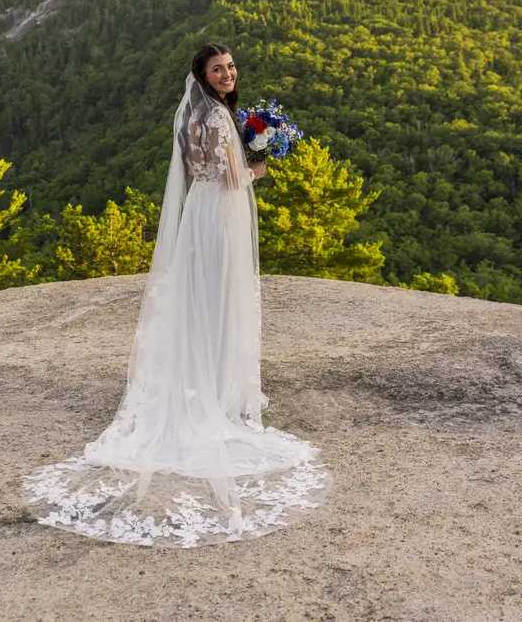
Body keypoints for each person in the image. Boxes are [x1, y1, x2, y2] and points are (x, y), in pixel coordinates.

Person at [22, 43, 331, 548]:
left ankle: (199, 383)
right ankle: (214, 392)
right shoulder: (219, 118)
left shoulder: (193, 116)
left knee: (200, 302)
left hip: (199, 213)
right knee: (221, 300)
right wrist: (261, 163)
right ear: (203, 76)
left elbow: (194, 171)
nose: (228, 74)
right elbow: (233, 176)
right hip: (222, 212)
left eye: (230, 67)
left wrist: (247, 148)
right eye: (218, 69)